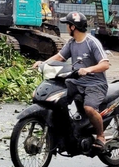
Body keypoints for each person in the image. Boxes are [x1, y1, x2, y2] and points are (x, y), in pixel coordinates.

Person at [32, 11, 111, 150]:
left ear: (73, 27)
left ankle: (100, 136)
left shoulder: (91, 42)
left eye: (67, 25)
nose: (67, 27)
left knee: (89, 108)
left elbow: (105, 64)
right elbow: (60, 57)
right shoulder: (72, 42)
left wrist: (88, 69)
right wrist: (43, 63)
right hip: (76, 81)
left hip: (95, 84)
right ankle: (66, 128)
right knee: (56, 97)